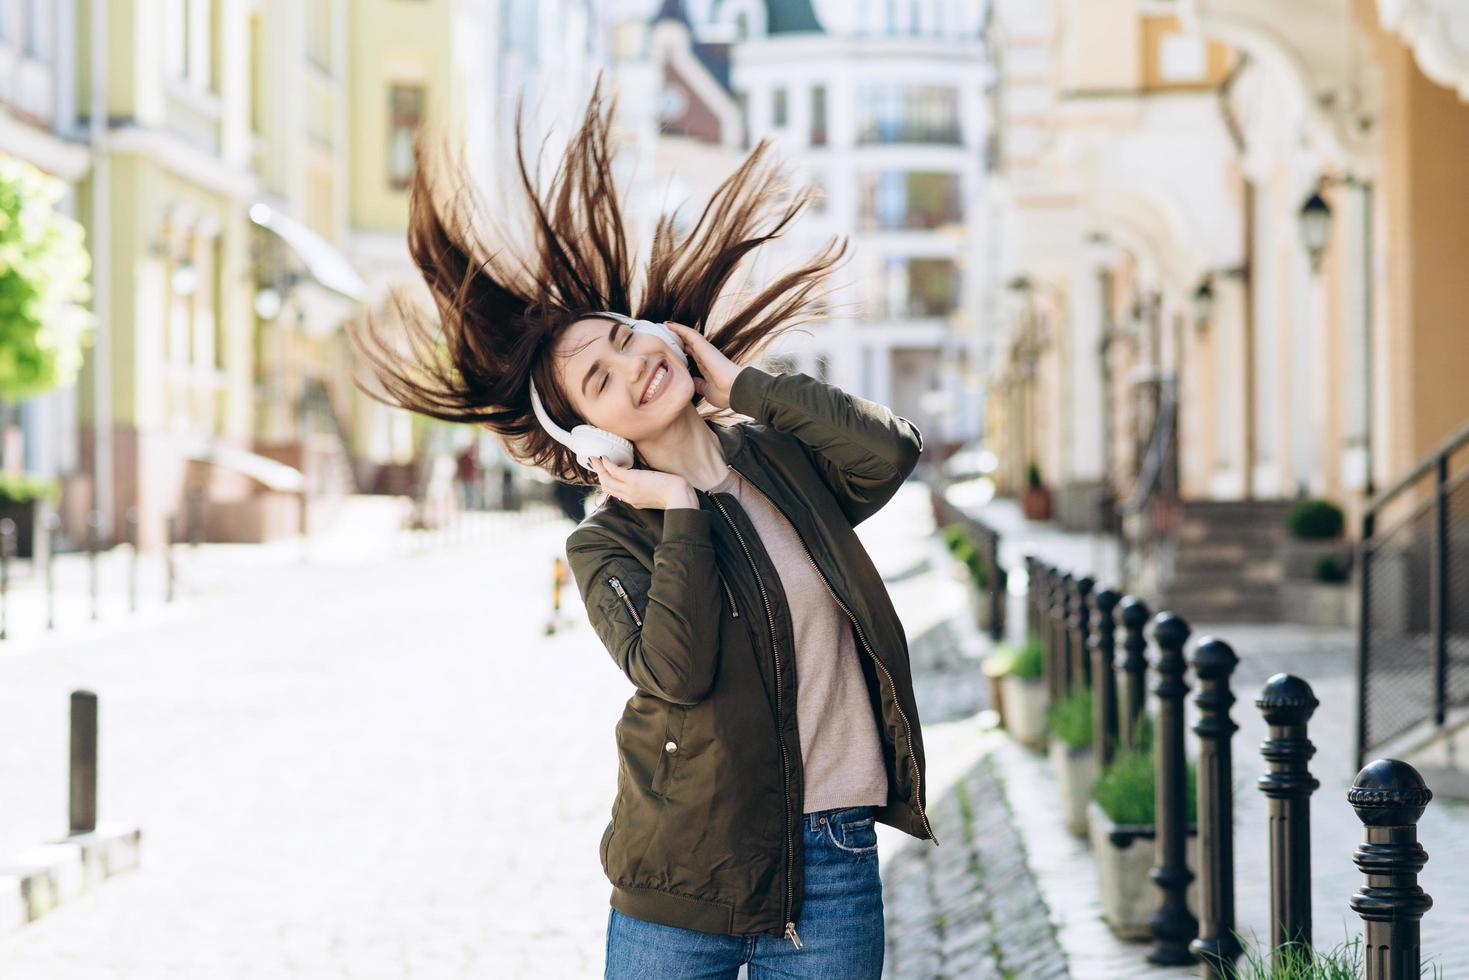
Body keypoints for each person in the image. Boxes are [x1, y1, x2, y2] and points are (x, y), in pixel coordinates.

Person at [346, 77, 936, 980]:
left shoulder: (784, 464)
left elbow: (888, 454)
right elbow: (674, 671)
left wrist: (742, 388)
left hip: (833, 862)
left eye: (623, 338)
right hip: (678, 884)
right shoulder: (608, 546)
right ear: (591, 435)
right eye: (597, 380)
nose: (629, 368)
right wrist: (682, 518)